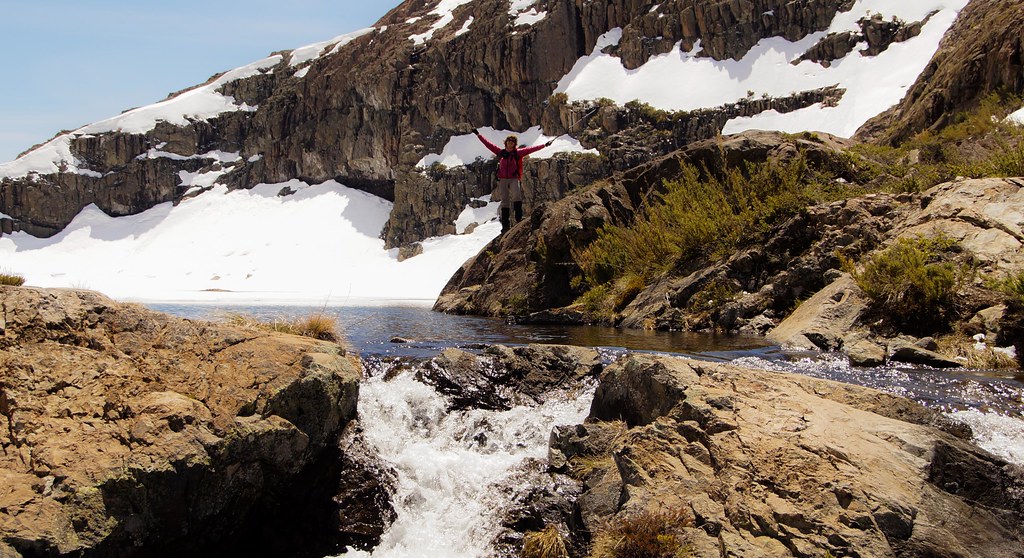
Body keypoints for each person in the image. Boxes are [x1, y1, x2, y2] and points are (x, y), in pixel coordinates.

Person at [474, 129, 554, 232]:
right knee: (505, 202)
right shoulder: (500, 152)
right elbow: (488, 144)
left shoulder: (518, 153)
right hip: (503, 179)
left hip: (513, 178)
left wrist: (544, 145)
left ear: (514, 144)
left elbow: (531, 149)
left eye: (512, 142)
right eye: (509, 141)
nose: (510, 143)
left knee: (517, 196)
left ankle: (518, 218)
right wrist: (478, 134)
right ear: (506, 143)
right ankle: (505, 226)